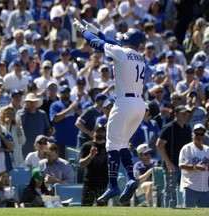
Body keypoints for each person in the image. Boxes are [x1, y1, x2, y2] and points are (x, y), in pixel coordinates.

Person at [73, 20, 146, 204]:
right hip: (139, 105)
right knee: (122, 144)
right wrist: (97, 30)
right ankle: (130, 178)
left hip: (124, 102)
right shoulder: (139, 56)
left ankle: (112, 184)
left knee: (112, 144)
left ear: (127, 40)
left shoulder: (121, 53)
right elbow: (112, 43)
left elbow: (97, 44)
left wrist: (83, 31)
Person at [156, 105, 192, 207]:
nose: (185, 116)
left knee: (186, 189)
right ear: (175, 114)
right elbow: (159, 145)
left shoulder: (187, 128)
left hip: (184, 165)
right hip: (171, 165)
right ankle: (168, 211)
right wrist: (168, 162)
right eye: (183, 114)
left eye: (186, 114)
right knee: (170, 191)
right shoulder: (169, 127)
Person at [179, 123, 209, 207]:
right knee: (189, 213)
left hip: (204, 187)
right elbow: (181, 165)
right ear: (193, 134)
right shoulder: (187, 148)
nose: (199, 136)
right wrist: (195, 167)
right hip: (190, 186)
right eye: (197, 134)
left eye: (201, 134)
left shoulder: (207, 149)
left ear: (204, 135)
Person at [79, 124, 108, 206]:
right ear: (93, 133)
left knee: (102, 209)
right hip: (90, 181)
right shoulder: (87, 146)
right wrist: (90, 156)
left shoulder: (107, 146)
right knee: (86, 207)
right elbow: (81, 163)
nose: (101, 133)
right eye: (98, 131)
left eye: (102, 132)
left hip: (103, 182)